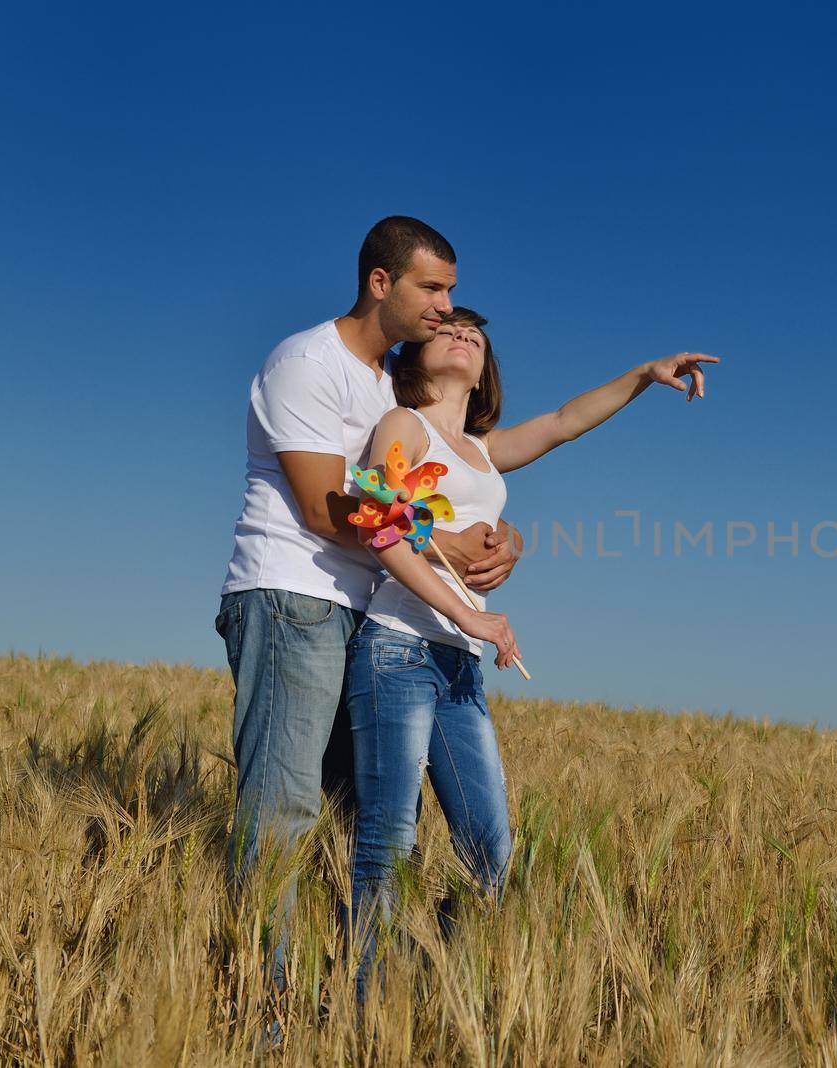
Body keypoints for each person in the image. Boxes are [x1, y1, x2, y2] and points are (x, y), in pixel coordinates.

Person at [344, 305, 717, 1001]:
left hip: (458, 665)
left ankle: (424, 993)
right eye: (448, 330)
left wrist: (643, 375)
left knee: (490, 851)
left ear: (485, 368)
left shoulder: (483, 451)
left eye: (475, 337)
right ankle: (362, 1013)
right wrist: (470, 615)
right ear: (416, 356)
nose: (461, 337)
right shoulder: (403, 427)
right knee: (386, 847)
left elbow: (564, 422)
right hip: (397, 650)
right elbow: (381, 526)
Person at [215, 217, 523, 995]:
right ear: (380, 283)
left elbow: (436, 486)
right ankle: (266, 1009)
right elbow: (325, 509)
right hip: (295, 598)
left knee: (360, 819)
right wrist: (446, 550)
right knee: (284, 811)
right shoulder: (305, 362)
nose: (447, 304)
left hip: (366, 613)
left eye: (452, 288)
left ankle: (363, 991)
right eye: (433, 287)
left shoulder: (394, 388)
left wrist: (495, 540)